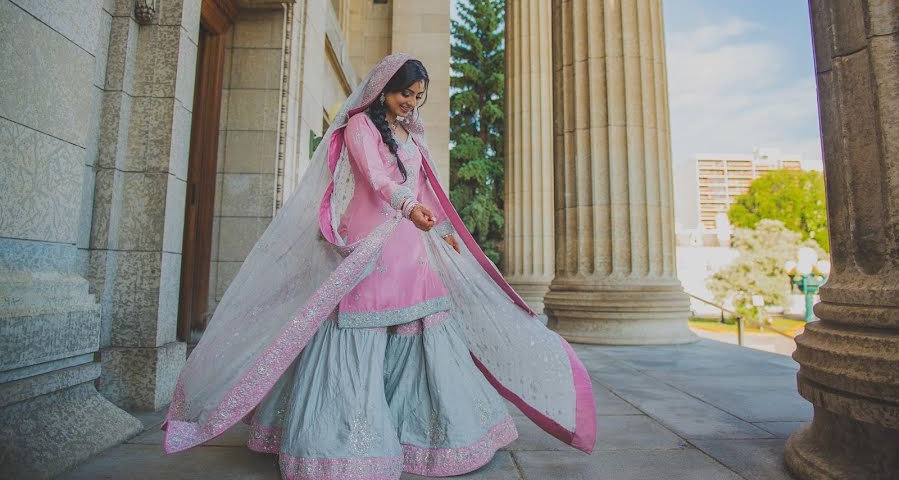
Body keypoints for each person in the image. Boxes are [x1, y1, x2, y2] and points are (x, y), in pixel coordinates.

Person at [162, 53, 596, 479]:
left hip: (411, 244)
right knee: (360, 328)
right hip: (371, 243)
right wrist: (408, 206)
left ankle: (423, 438)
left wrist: (443, 231)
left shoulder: (410, 132)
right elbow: (374, 177)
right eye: (406, 93)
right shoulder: (358, 126)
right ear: (385, 88)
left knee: (419, 327)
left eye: (418, 96)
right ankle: (343, 447)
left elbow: (424, 186)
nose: (411, 101)